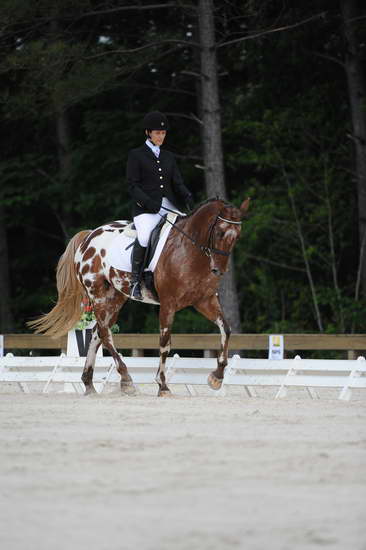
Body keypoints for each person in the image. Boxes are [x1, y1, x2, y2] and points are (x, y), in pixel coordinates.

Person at [126, 111, 194, 300]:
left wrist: (187, 196)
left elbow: (177, 183)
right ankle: (135, 281)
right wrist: (148, 202)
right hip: (146, 208)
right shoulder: (136, 155)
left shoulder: (168, 156)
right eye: (157, 133)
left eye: (163, 133)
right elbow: (132, 185)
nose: (161, 136)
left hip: (169, 206)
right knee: (146, 236)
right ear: (148, 133)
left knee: (186, 232)